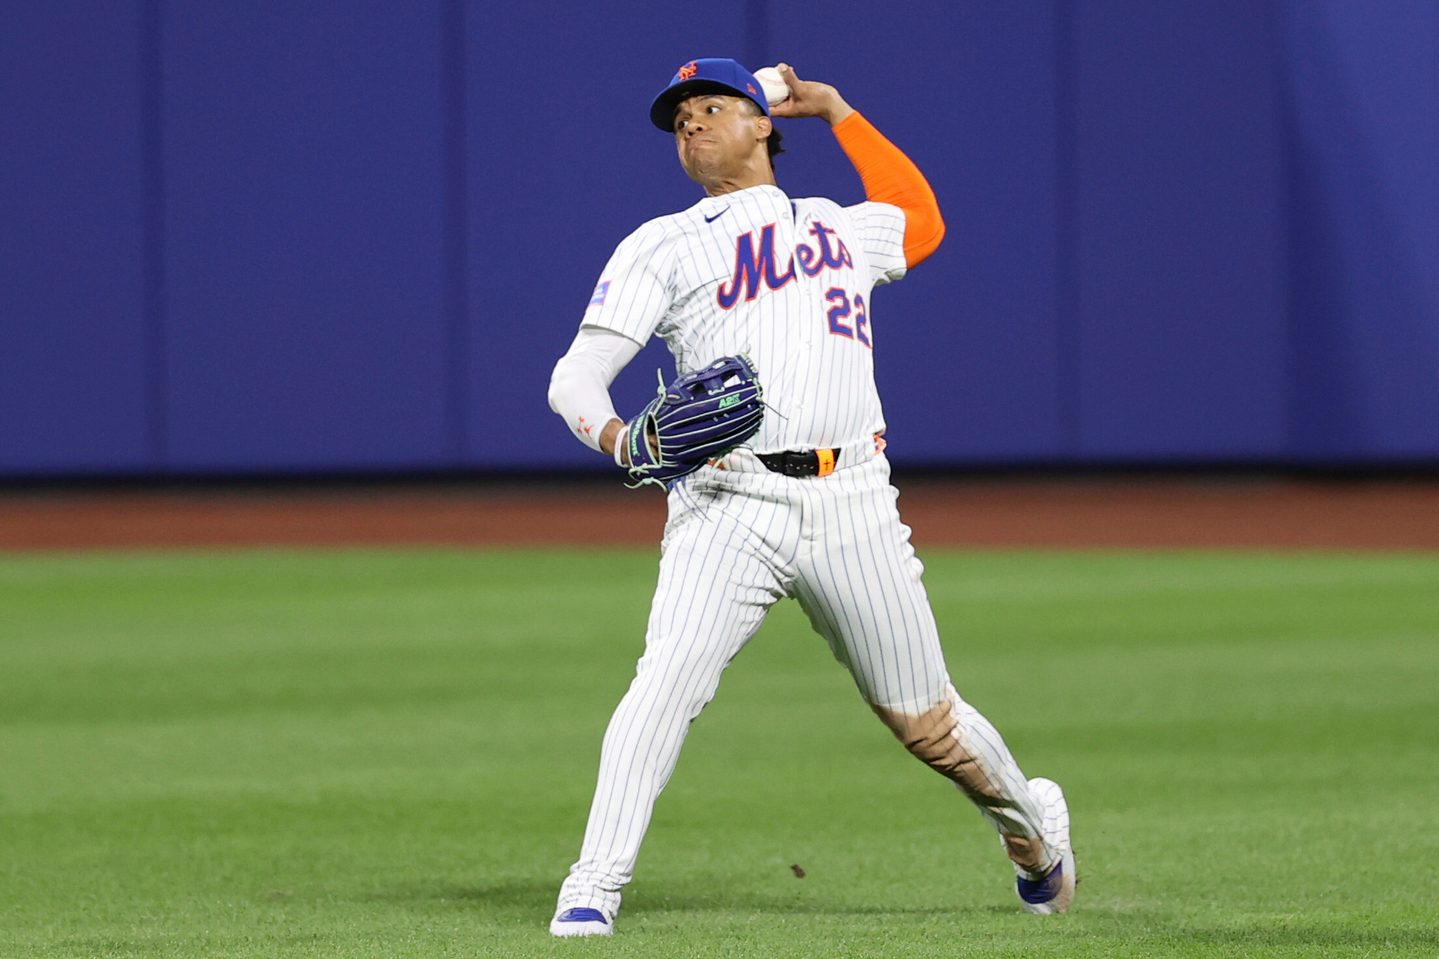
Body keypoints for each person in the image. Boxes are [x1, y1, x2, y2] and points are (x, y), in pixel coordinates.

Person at [545, 58, 1074, 938]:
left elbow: (923, 219)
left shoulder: (840, 224)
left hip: (853, 500)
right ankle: (591, 885)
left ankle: (1034, 840)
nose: (691, 124)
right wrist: (616, 436)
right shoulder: (661, 243)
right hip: (728, 500)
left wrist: (840, 111)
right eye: (679, 118)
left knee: (929, 726)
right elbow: (575, 377)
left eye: (712, 106)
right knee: (664, 683)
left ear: (763, 124)